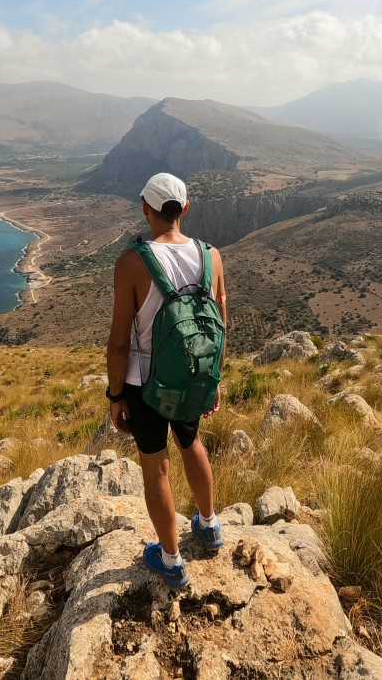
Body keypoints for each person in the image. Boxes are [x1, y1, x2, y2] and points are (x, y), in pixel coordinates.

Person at [106, 172, 227, 590]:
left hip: (145, 384)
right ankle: (209, 527)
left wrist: (116, 395)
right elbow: (221, 322)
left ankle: (171, 560)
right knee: (192, 442)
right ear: (185, 209)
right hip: (195, 374)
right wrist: (213, 379)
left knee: (155, 464)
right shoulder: (211, 255)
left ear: (146, 208)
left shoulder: (132, 262)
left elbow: (119, 341)